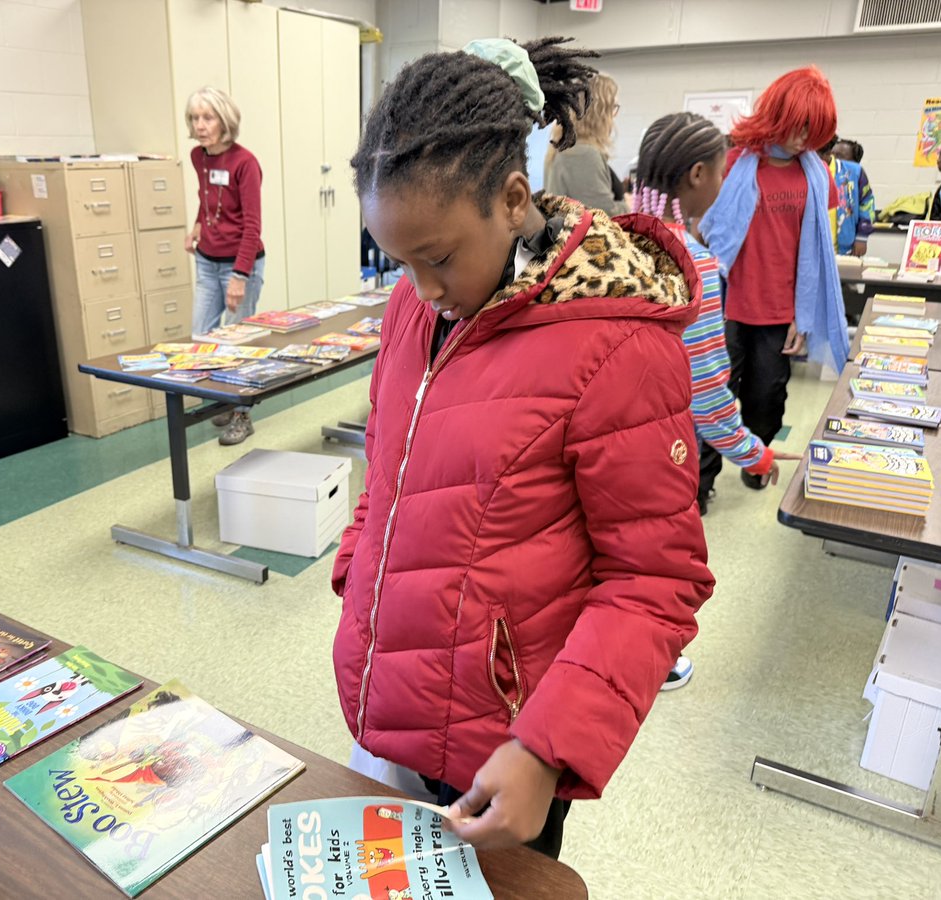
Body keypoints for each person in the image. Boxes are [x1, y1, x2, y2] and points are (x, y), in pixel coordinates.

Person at [332, 36, 714, 857]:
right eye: (397, 263)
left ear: (512, 200)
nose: (421, 290)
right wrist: (359, 568)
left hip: (507, 744)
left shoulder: (616, 347)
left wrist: (547, 748)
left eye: (436, 259)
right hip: (389, 696)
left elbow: (654, 580)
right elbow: (390, 466)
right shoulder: (415, 307)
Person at [633, 111, 802, 689]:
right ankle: (652, 660)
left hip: (587, 433)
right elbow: (706, 394)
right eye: (725, 173)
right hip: (653, 447)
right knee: (659, 566)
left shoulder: (599, 236)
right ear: (698, 175)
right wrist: (752, 451)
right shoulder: (691, 262)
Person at [698, 67, 849, 492]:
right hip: (725, 304)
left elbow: (819, 251)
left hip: (780, 311)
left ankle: (757, 462)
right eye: (797, 126)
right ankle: (702, 480)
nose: (803, 139)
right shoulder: (733, 164)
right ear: (775, 115)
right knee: (714, 393)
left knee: (766, 397)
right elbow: (707, 229)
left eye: (812, 130)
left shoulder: (816, 175)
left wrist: (803, 316)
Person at [184, 87, 265, 446]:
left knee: (238, 343)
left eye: (207, 117)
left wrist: (239, 276)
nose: (200, 126)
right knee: (202, 336)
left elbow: (252, 225)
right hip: (207, 262)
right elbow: (207, 200)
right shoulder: (197, 156)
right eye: (194, 118)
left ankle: (241, 415)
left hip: (240, 264)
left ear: (224, 120)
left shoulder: (245, 163)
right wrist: (197, 227)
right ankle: (221, 399)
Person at [542, 72, 627, 214]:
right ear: (599, 112)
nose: (614, 115)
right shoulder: (583, 153)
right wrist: (627, 205)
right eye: (613, 107)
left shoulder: (566, 146)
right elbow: (603, 215)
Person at [823, 137, 875, 256]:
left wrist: (862, 236)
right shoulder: (804, 169)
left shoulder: (854, 172)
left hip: (845, 248)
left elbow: (867, 202)